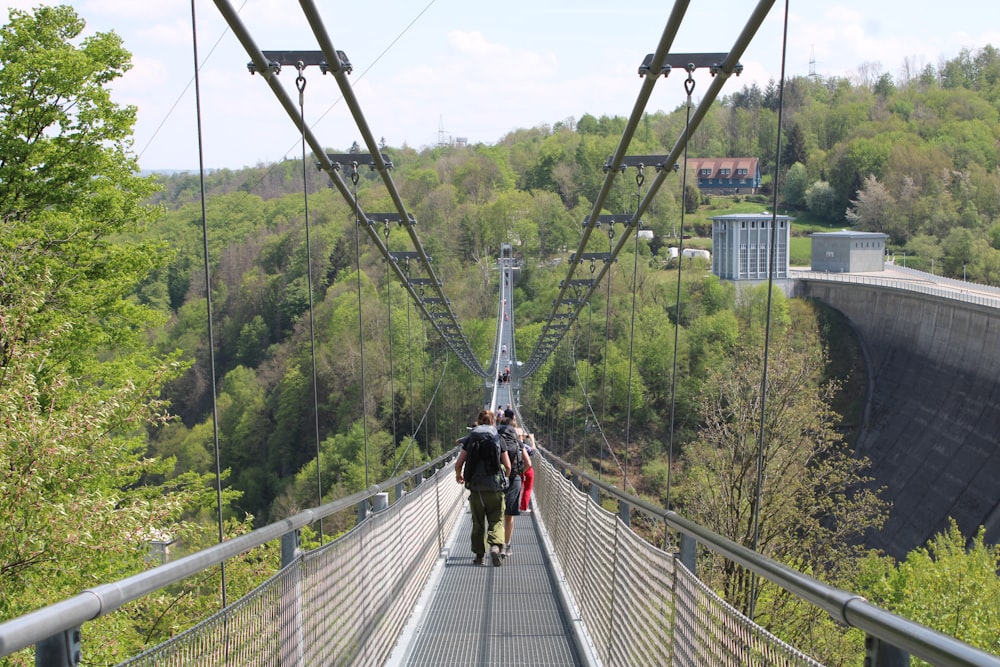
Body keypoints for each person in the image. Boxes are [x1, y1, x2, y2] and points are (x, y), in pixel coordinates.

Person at [455, 410, 511, 566]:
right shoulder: (498, 438)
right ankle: (495, 547)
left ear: (478, 422)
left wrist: (458, 475)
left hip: (476, 488)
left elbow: (459, 463)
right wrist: (505, 478)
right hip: (495, 488)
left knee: (478, 522)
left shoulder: (471, 438)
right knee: (497, 521)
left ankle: (479, 557)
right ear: (494, 422)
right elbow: (507, 465)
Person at [497, 415, 531, 559]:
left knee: (497, 513)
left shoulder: (496, 440)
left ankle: (496, 544)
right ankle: (507, 545)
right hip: (515, 479)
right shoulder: (518, 442)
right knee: (509, 515)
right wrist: (518, 473)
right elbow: (528, 463)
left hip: (498, 479)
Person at [519, 431, 537, 514]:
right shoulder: (524, 447)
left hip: (517, 470)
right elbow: (533, 451)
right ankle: (523, 507)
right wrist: (532, 439)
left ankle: (513, 506)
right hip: (528, 469)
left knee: (517, 489)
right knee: (527, 489)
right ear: (522, 437)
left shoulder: (510, 444)